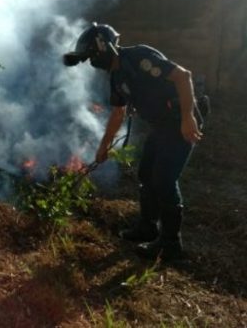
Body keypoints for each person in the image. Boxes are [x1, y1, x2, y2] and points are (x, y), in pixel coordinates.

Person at [63, 23, 202, 261]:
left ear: (104, 48)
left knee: (164, 180)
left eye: (92, 57)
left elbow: (183, 76)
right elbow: (118, 114)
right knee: (146, 176)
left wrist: (188, 117)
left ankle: (171, 245)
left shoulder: (140, 57)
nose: (92, 63)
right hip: (160, 127)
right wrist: (103, 146)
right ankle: (147, 228)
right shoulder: (116, 77)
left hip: (180, 124)